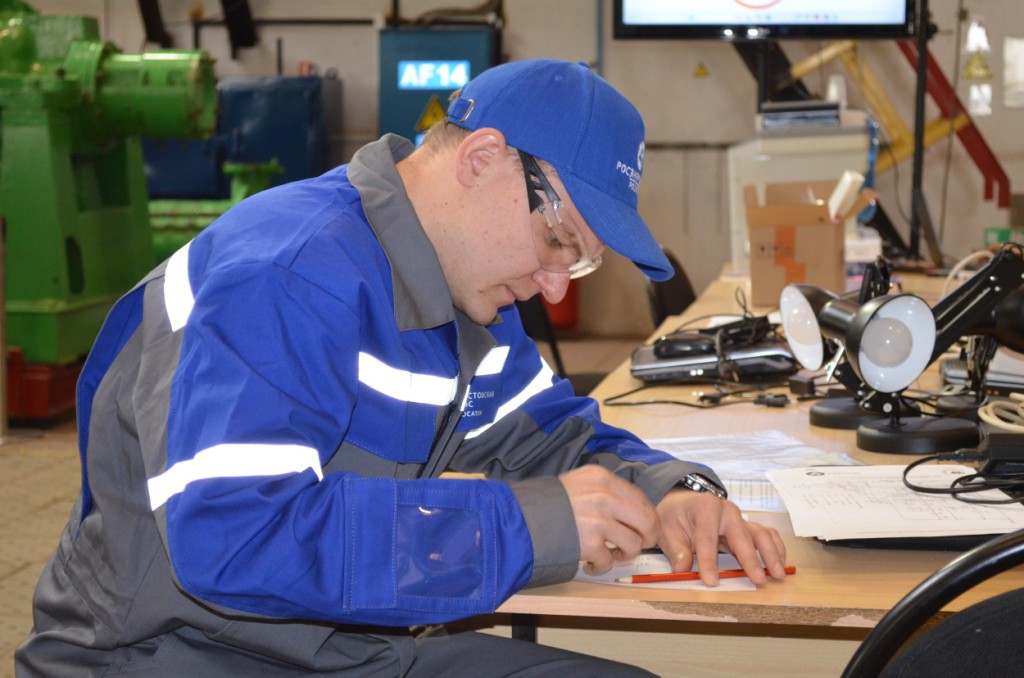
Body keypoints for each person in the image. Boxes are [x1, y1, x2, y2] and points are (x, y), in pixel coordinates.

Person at [16, 59, 786, 676]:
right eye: (558, 241)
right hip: (172, 657)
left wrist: (668, 489)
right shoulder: (287, 275)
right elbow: (235, 536)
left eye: (579, 263)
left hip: (343, 648)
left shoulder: (466, 299)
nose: (555, 287)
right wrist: (523, 524)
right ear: (483, 159)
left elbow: (549, 434)